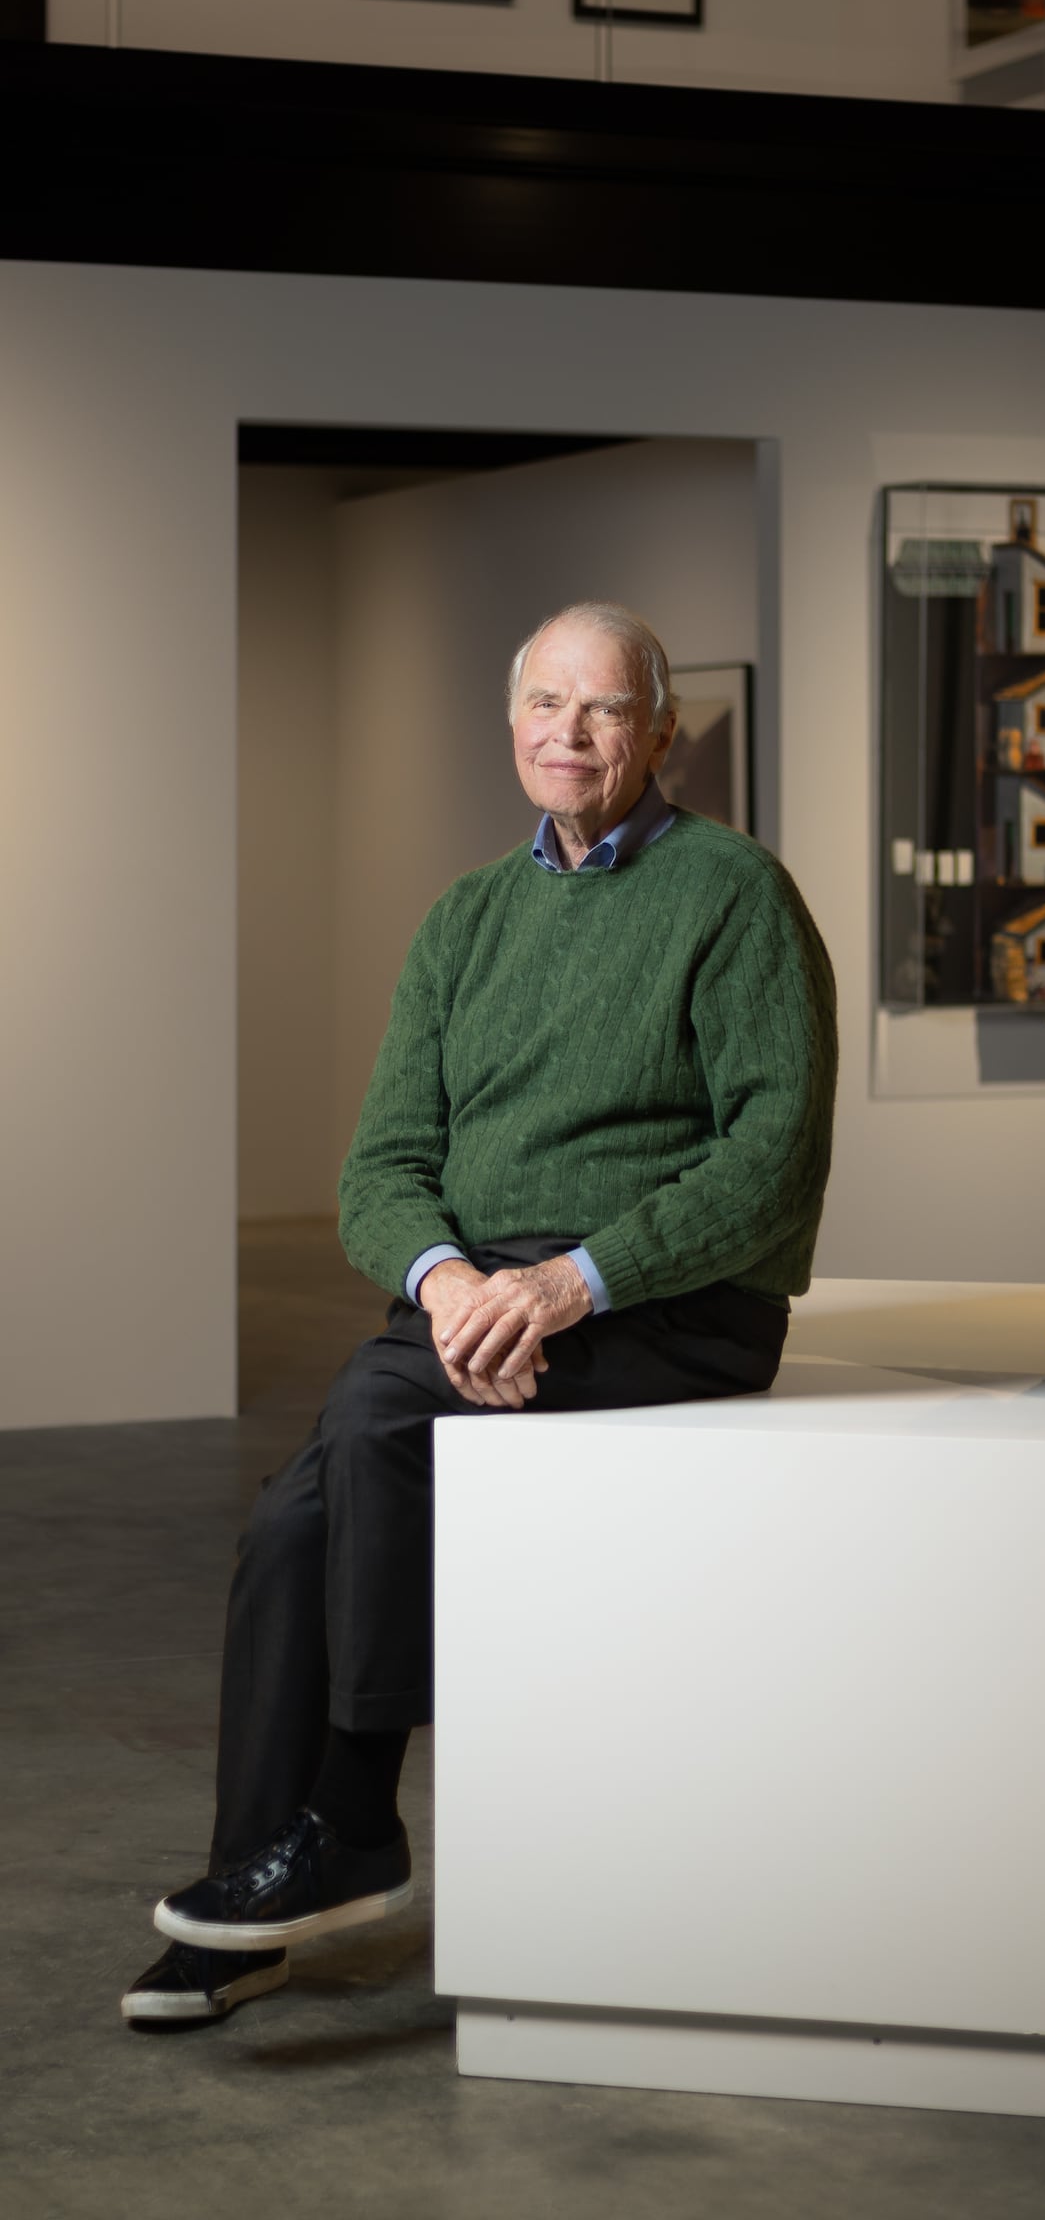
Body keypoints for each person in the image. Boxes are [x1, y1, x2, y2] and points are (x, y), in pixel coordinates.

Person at [123, 601, 837, 2025]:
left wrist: (573, 1280)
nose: (568, 734)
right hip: (483, 1291)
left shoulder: (736, 895)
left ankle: (357, 1822)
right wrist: (447, 1280)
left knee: (381, 1413)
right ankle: (258, 1888)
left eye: (604, 709)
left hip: (667, 1301)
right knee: (287, 1520)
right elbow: (381, 1166)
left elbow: (774, 1159)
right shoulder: (465, 918)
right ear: (510, 727)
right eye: (543, 706)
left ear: (661, 731)